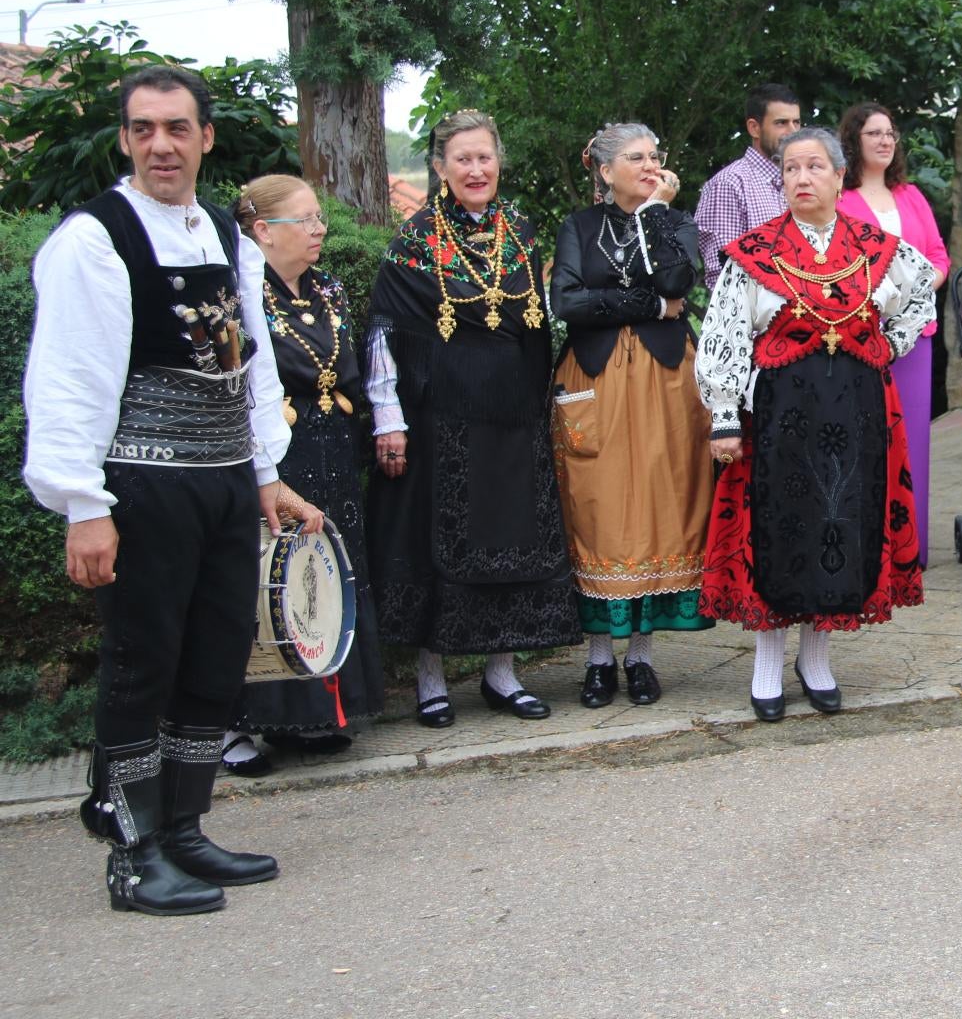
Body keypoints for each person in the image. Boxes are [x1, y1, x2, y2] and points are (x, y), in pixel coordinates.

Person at [22, 65, 321, 916]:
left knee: (213, 656)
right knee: (142, 662)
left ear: (205, 138)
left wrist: (265, 472)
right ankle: (133, 849)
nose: (162, 144)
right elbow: (71, 379)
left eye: (178, 128)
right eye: (145, 128)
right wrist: (84, 503)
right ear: (125, 138)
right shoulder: (95, 239)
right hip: (144, 485)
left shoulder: (224, 239)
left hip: (226, 481)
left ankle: (185, 828)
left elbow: (251, 362)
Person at [695, 127, 938, 721]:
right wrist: (725, 415)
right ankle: (766, 664)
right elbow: (724, 331)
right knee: (781, 531)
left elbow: (921, 297)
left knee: (840, 530)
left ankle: (817, 660)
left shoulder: (875, 247)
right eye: (791, 170)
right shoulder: (755, 252)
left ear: (837, 176)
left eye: (814, 168)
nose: (802, 179)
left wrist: (885, 345)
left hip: (858, 415)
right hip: (780, 419)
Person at [366, 110, 576, 728]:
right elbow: (384, 333)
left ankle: (501, 674)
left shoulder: (523, 231)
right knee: (442, 542)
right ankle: (431, 681)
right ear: (439, 168)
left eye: (485, 157)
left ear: (498, 161)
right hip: (444, 420)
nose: (476, 170)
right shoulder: (414, 241)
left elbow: (540, 321)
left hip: (514, 418)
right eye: (463, 159)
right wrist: (390, 419)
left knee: (510, 540)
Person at [221, 176, 386, 777]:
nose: (320, 230)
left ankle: (312, 717)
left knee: (323, 576)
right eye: (306, 220)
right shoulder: (242, 296)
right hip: (275, 452)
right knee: (267, 577)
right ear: (263, 231)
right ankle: (238, 725)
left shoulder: (326, 288)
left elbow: (345, 364)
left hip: (330, 447)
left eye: (320, 218)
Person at [550, 124, 714, 708]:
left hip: (667, 380)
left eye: (655, 156)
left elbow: (679, 282)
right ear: (605, 169)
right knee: (598, 511)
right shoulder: (578, 226)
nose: (650, 165)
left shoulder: (674, 221)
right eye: (636, 158)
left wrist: (653, 214)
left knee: (658, 508)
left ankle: (641, 658)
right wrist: (648, 305)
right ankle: (599, 660)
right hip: (593, 379)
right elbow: (567, 304)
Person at [836, 102, 952, 568]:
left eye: (890, 133)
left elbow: (940, 256)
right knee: (867, 438)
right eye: (874, 133)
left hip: (916, 335)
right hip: (865, 336)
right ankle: (868, 546)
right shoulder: (840, 199)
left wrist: (920, 288)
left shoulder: (911, 195)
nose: (886, 141)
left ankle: (911, 547)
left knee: (912, 441)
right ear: (854, 141)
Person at [696, 84, 801, 291]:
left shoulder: (801, 181)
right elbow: (724, 277)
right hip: (755, 319)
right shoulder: (729, 184)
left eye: (796, 122)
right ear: (754, 127)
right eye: (781, 123)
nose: (793, 131)